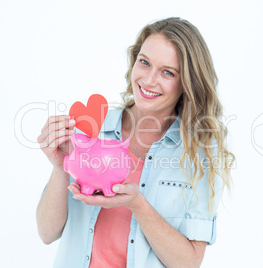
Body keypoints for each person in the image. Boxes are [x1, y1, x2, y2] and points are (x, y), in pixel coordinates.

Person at [36, 17, 235, 268]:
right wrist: (59, 168)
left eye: (167, 72)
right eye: (144, 62)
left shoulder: (198, 154)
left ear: (187, 82)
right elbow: (46, 233)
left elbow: (188, 262)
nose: (149, 80)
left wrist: (137, 204)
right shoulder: (93, 128)